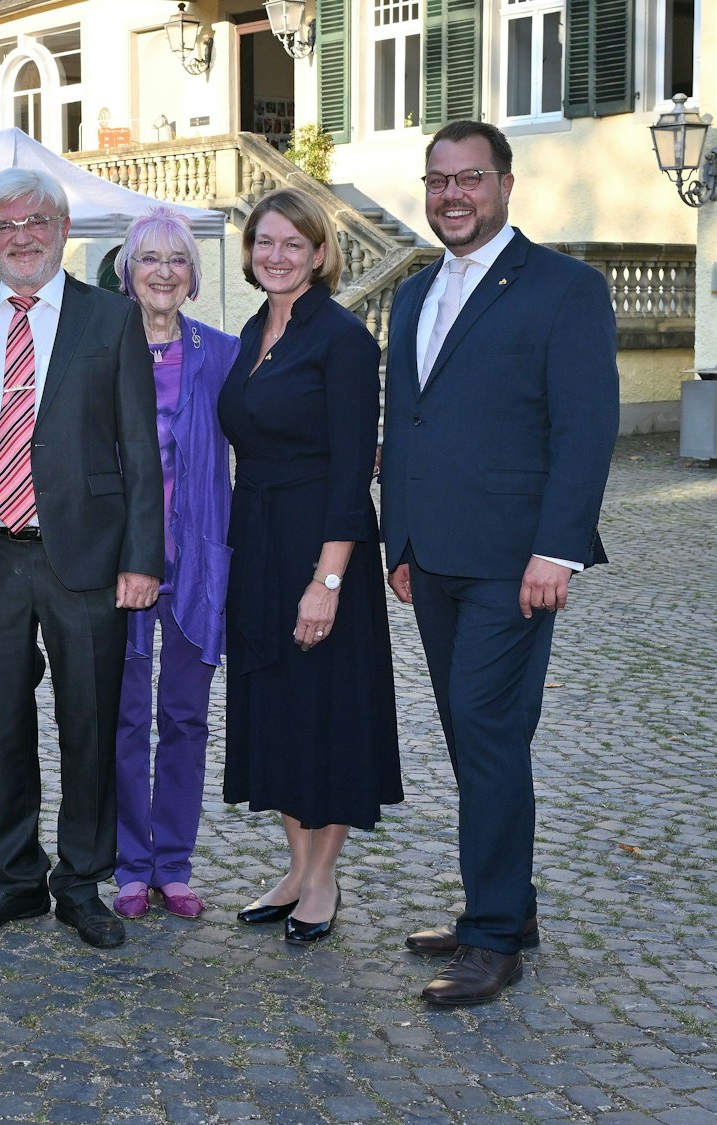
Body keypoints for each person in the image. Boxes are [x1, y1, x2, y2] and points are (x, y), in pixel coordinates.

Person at [382, 120, 619, 1005]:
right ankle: (506, 904)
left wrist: (557, 549)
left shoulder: (565, 289)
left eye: (470, 178)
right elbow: (406, 418)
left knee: (485, 733)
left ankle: (491, 943)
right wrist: (396, 540)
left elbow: (586, 426)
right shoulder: (413, 294)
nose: (452, 194)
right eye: (439, 179)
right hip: (432, 557)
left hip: (515, 563)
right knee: (475, 737)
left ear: (506, 184)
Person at [0, 167, 161, 951]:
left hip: (88, 557)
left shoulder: (112, 318)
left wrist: (143, 558)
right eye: (2, 225)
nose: (20, 236)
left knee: (89, 721)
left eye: (34, 221)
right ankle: (16, 876)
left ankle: (81, 880)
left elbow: (139, 445)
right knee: (1, 722)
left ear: (62, 229)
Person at [218, 188, 401, 946]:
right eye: (265, 242)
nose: (278, 255)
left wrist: (325, 583)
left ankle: (323, 877)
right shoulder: (249, 331)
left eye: (295, 243)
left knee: (325, 714)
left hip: (323, 549)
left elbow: (353, 470)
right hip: (257, 543)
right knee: (278, 712)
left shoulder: (345, 340)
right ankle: (294, 867)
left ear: (321, 254)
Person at [109, 207, 240, 922]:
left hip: (198, 565)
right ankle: (131, 865)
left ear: (191, 277)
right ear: (127, 273)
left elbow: (270, 435)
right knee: (126, 717)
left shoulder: (222, 354)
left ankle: (175, 863)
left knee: (185, 716)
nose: (164, 270)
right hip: (125, 566)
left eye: (178, 259)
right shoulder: (103, 347)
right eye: (150, 258)